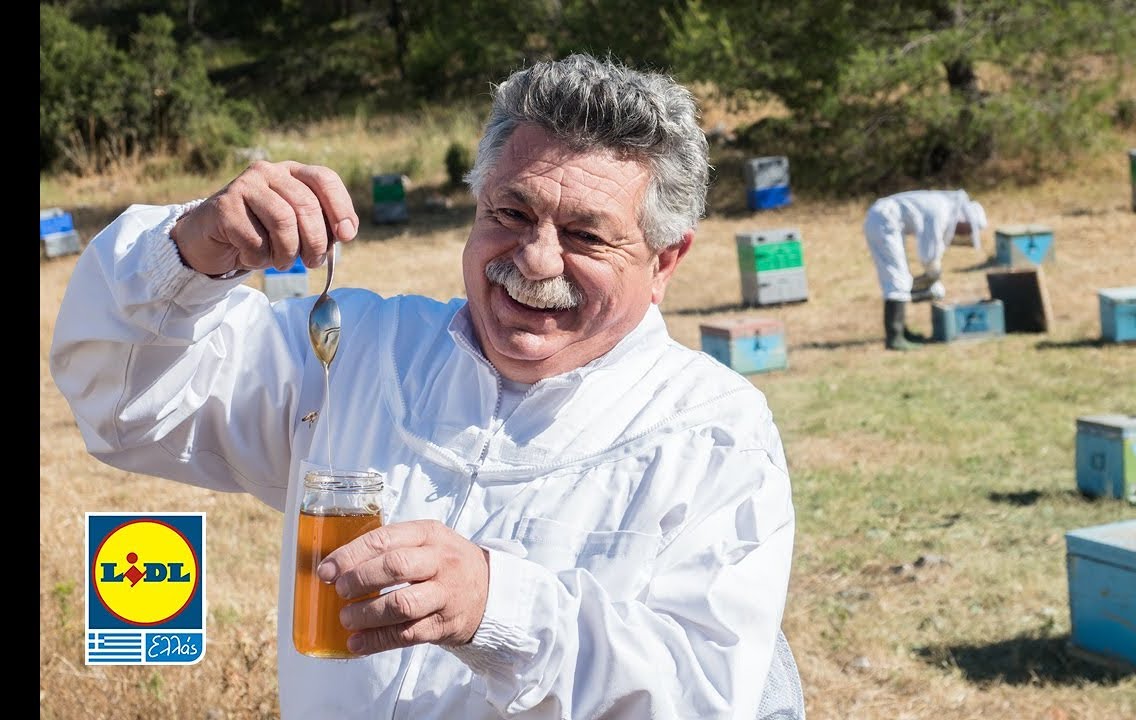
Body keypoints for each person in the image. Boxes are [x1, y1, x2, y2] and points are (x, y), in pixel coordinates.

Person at [50, 53, 796, 719]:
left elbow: (707, 691)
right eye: (512, 213)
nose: (536, 260)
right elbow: (125, 402)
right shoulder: (363, 350)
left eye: (586, 235)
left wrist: (496, 606)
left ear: (664, 262)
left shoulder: (713, 434)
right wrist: (191, 252)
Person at [862, 189, 987, 351]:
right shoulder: (940, 211)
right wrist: (933, 276)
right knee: (896, 279)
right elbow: (928, 254)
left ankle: (902, 332)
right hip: (883, 221)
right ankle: (895, 338)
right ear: (964, 220)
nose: (964, 233)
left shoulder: (943, 207)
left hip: (886, 221)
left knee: (901, 278)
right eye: (967, 229)